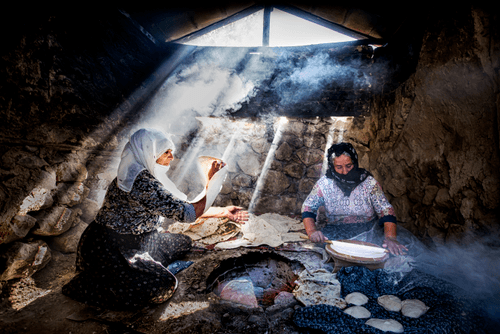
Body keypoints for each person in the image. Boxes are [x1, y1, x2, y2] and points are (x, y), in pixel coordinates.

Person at [62, 128, 248, 310]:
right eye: (166, 152)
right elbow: (189, 213)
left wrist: (224, 212)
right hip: (113, 248)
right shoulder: (142, 183)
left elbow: (182, 206)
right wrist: (211, 183)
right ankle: (90, 282)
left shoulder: (144, 173)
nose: (171, 157)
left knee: (183, 242)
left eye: (171, 152)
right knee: (162, 286)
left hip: (138, 239)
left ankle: (142, 267)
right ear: (150, 152)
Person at [301, 142, 407, 256]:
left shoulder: (369, 183)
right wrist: (312, 231)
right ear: (332, 166)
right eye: (339, 167)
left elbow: (386, 210)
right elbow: (308, 208)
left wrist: (390, 238)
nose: (345, 172)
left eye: (349, 166)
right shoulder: (324, 184)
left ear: (355, 162)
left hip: (368, 231)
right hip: (336, 232)